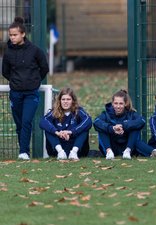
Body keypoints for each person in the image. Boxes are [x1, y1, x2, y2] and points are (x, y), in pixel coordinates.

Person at [2, 17, 49, 160]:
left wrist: (33, 81)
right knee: (19, 124)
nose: (12, 37)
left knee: (27, 121)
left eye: (15, 34)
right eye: (10, 35)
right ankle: (23, 150)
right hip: (15, 93)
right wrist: (16, 82)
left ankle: (24, 152)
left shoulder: (35, 50)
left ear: (23, 34)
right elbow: (5, 71)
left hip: (31, 93)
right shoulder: (8, 52)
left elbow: (44, 68)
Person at [39, 88, 92, 160]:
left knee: (85, 128)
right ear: (59, 101)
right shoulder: (54, 111)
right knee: (48, 129)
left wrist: (71, 132)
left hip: (78, 150)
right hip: (57, 150)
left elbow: (88, 120)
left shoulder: (78, 111)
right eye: (63, 99)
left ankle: (73, 152)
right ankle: (60, 152)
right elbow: (43, 121)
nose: (65, 102)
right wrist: (57, 132)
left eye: (68, 99)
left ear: (73, 101)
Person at [93, 89, 145, 160]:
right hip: (112, 146)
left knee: (135, 126)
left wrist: (124, 125)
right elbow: (96, 122)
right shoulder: (106, 114)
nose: (118, 106)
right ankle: (109, 152)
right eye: (116, 103)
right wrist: (112, 128)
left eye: (120, 103)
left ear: (125, 103)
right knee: (101, 127)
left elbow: (142, 121)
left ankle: (127, 151)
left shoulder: (131, 113)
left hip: (127, 145)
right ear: (112, 103)